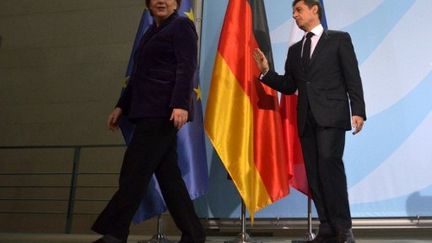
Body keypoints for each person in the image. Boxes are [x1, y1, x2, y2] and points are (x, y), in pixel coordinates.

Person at [91, 0, 205, 242]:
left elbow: (187, 67)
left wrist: (181, 104)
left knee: (134, 171)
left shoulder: (181, 26)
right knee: (169, 177)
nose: (160, 1)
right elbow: (139, 74)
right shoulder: (151, 32)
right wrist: (121, 105)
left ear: (175, 3)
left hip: (162, 112)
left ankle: (115, 232)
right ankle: (194, 234)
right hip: (146, 111)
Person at [253, 0, 366, 242]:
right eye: (293, 12)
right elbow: (290, 85)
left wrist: (358, 110)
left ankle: (343, 228)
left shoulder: (339, 40)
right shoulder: (295, 50)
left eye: (298, 10)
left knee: (329, 166)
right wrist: (265, 72)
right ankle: (326, 227)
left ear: (315, 10)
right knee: (314, 174)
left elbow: (352, 78)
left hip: (331, 116)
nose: (294, 15)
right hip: (306, 119)